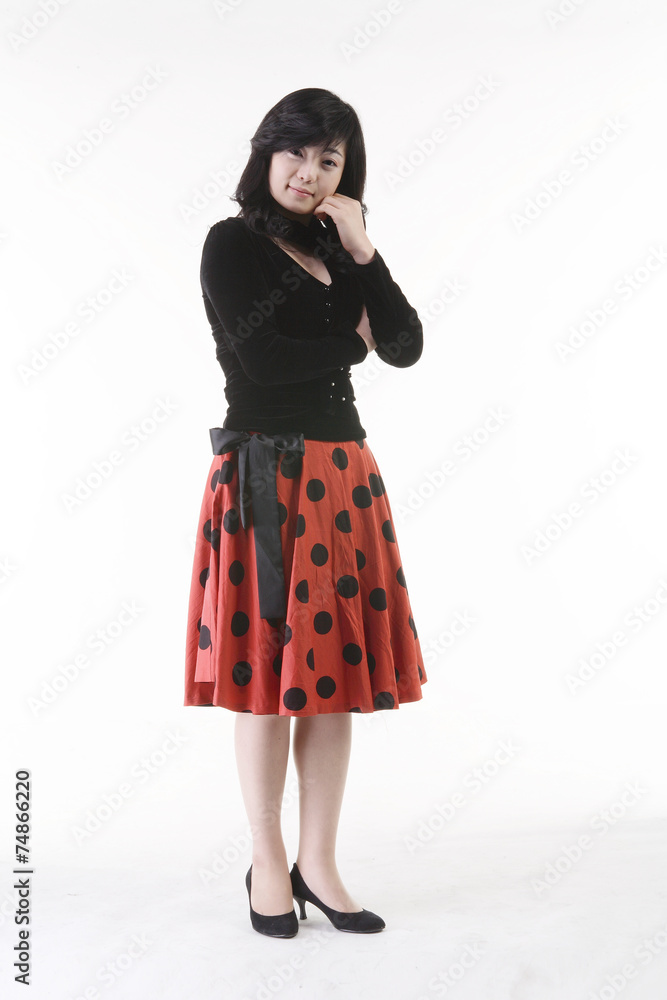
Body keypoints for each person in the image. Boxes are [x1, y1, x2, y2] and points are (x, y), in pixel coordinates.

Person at [183, 87, 428, 938]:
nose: (309, 172)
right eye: (297, 152)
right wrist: (350, 342)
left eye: (330, 159)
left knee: (331, 683)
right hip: (263, 472)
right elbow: (265, 360)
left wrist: (363, 249)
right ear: (267, 152)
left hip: (343, 474)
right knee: (264, 684)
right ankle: (266, 862)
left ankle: (317, 865)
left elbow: (405, 345)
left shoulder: (338, 248)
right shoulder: (231, 243)